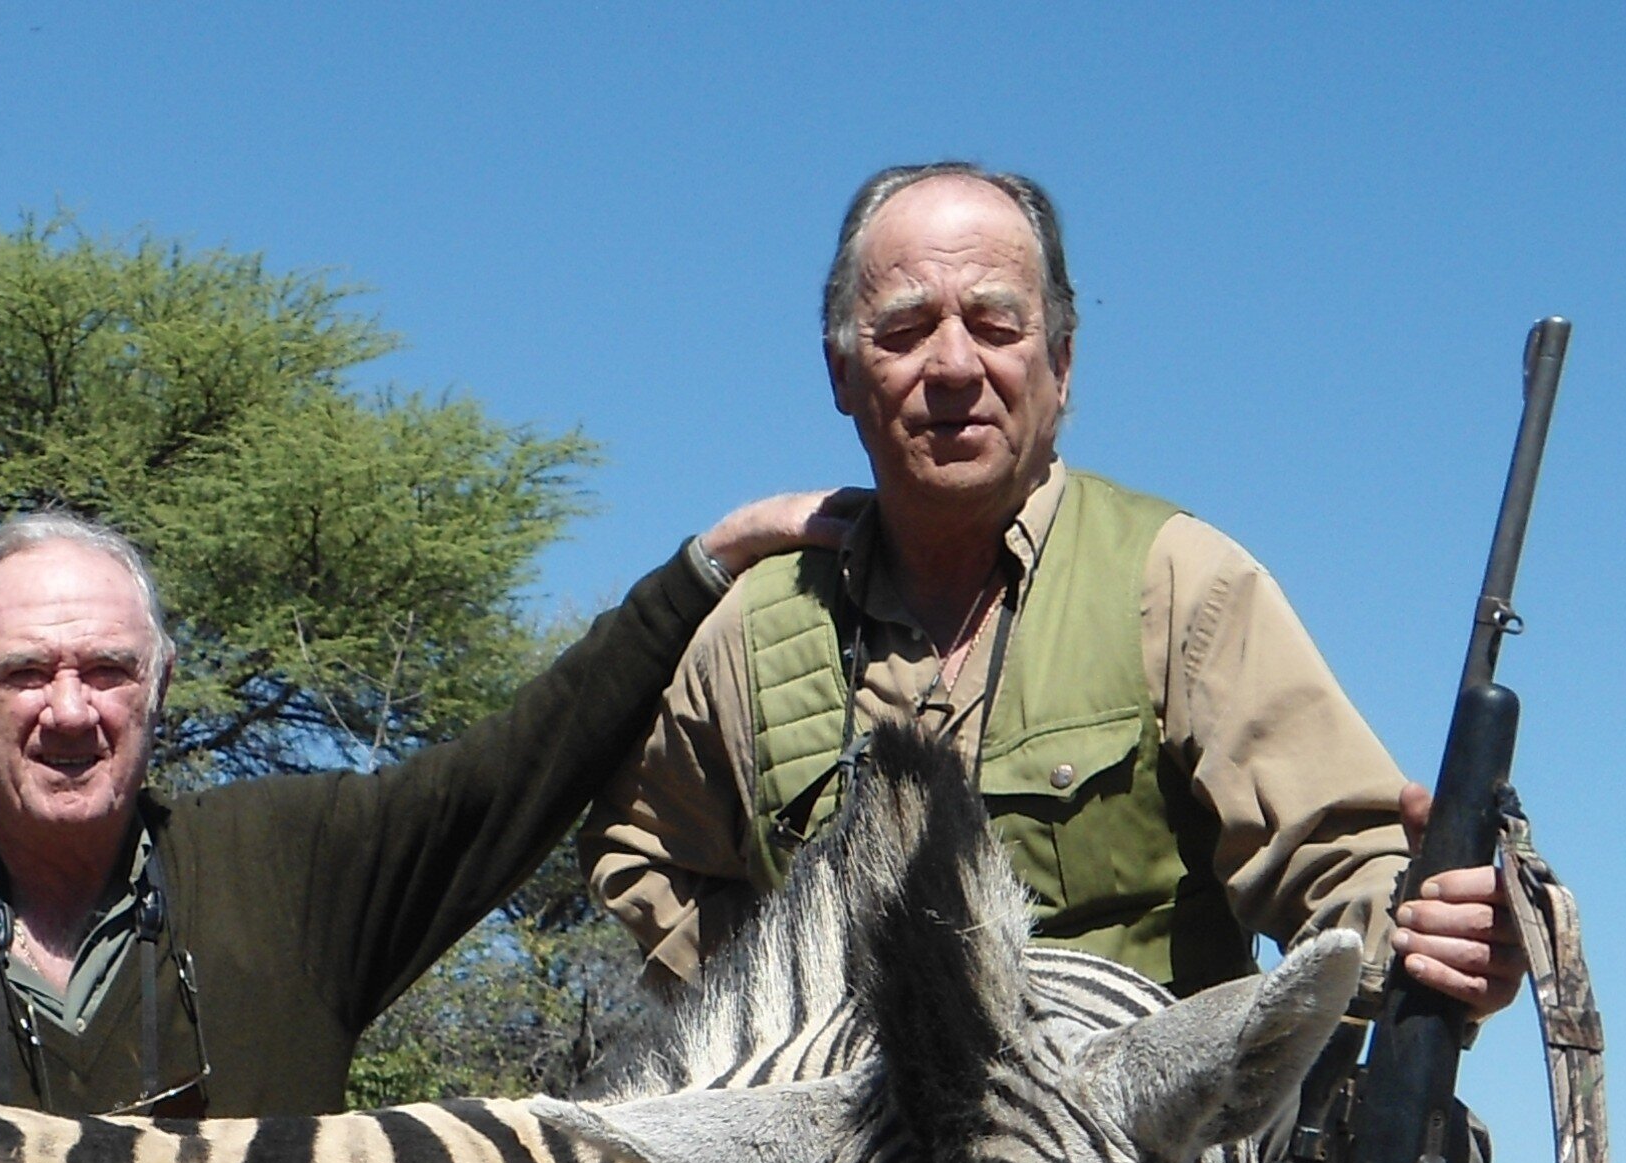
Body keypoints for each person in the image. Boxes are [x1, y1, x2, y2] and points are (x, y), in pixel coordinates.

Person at [583, 161, 1523, 1016]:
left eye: (996, 326)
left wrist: (1440, 929)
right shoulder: (752, 627)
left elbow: (1347, 865)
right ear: (842, 373)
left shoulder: (1175, 584)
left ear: (1061, 366)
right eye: (905, 331)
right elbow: (644, 853)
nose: (954, 366)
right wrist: (777, 1024)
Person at [0, 494, 835, 1115]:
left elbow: (514, 771)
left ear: (162, 686)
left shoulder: (290, 869)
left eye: (110, 670)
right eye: (26, 673)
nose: (72, 710)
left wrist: (705, 567)